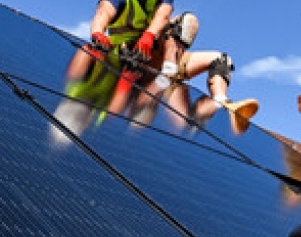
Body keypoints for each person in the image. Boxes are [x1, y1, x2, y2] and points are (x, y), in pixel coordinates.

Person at [50, 0, 173, 146]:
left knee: (179, 29)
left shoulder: (76, 88)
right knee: (147, 86)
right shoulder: (102, 111)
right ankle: (160, 85)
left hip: (128, 53)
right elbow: (105, 11)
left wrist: (149, 35)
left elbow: (163, 14)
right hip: (131, 60)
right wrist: (98, 31)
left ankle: (166, 74)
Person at [127, 12, 259, 135]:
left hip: (172, 65)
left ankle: (223, 102)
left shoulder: (163, 18)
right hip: (147, 66)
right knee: (140, 119)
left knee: (222, 61)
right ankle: (168, 93)